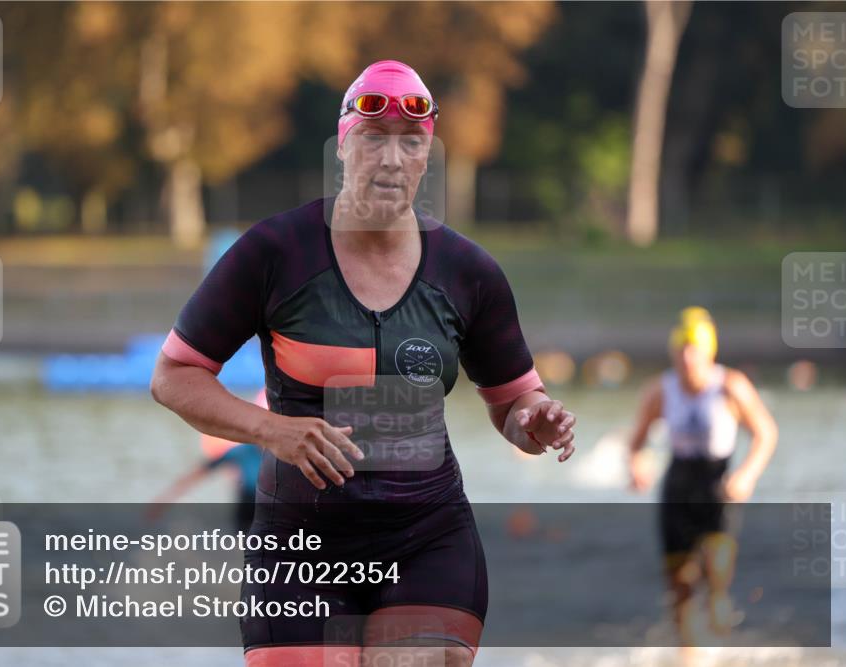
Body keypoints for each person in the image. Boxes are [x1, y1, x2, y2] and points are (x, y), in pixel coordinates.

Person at [151, 59, 576, 667]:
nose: (392, 159)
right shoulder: (275, 253)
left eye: (411, 143)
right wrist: (274, 430)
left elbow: (513, 401)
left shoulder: (468, 272)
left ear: (428, 156)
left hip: (427, 539)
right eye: (374, 139)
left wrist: (537, 421)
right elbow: (173, 376)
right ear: (344, 147)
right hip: (298, 546)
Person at [627, 307, 778, 653]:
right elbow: (635, 443)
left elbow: (766, 433)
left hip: (718, 484)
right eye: (681, 349)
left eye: (694, 349)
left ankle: (717, 626)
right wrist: (637, 465)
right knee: (679, 582)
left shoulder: (730, 386)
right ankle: (689, 653)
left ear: (709, 351)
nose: (687, 357)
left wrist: (747, 474)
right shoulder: (660, 390)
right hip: (679, 482)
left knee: (716, 576)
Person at [146, 388, 268, 531]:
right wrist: (164, 501)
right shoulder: (241, 452)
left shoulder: (290, 452)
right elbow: (198, 473)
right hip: (249, 509)